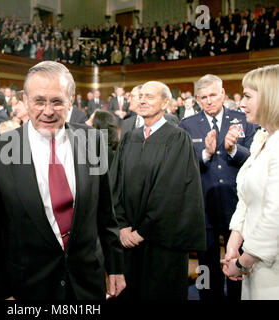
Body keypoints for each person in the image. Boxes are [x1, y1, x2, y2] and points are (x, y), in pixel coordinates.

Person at [0, 61, 125, 300]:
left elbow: (106, 215)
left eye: (57, 101)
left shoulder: (93, 141)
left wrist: (116, 267)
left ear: (71, 100)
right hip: (27, 287)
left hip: (87, 282)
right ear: (24, 100)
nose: (48, 111)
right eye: (39, 101)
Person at [110, 81, 206, 300]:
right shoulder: (129, 138)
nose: (143, 100)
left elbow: (171, 192)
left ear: (166, 103)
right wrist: (123, 226)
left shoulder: (178, 138)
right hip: (128, 240)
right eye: (140, 95)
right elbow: (114, 184)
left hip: (161, 241)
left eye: (150, 96)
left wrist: (143, 231)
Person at [179, 74, 256, 300]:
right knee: (206, 266)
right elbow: (183, 165)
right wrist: (206, 154)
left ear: (223, 93)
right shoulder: (187, 125)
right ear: (197, 99)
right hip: (204, 206)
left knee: (238, 264)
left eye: (213, 95)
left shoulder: (243, 119)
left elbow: (254, 158)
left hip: (238, 206)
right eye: (203, 97)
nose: (209, 100)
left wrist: (233, 149)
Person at [222, 64, 279, 300]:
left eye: (247, 96)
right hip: (255, 263)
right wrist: (235, 241)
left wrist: (243, 262)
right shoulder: (261, 138)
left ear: (270, 96)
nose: (240, 104)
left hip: (270, 269)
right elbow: (246, 199)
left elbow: (275, 214)